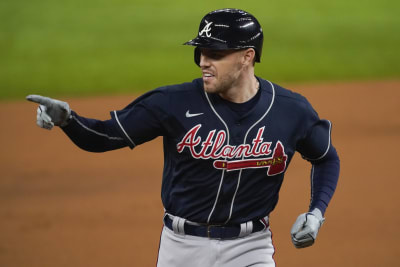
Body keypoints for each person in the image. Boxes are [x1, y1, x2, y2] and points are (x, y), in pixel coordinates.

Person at [27, 8, 340, 267]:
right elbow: (104, 137)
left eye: (216, 54)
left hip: (251, 249)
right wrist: (68, 119)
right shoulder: (172, 103)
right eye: (201, 52)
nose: (204, 61)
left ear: (247, 56)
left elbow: (325, 156)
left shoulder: (290, 110)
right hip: (181, 249)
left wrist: (316, 212)